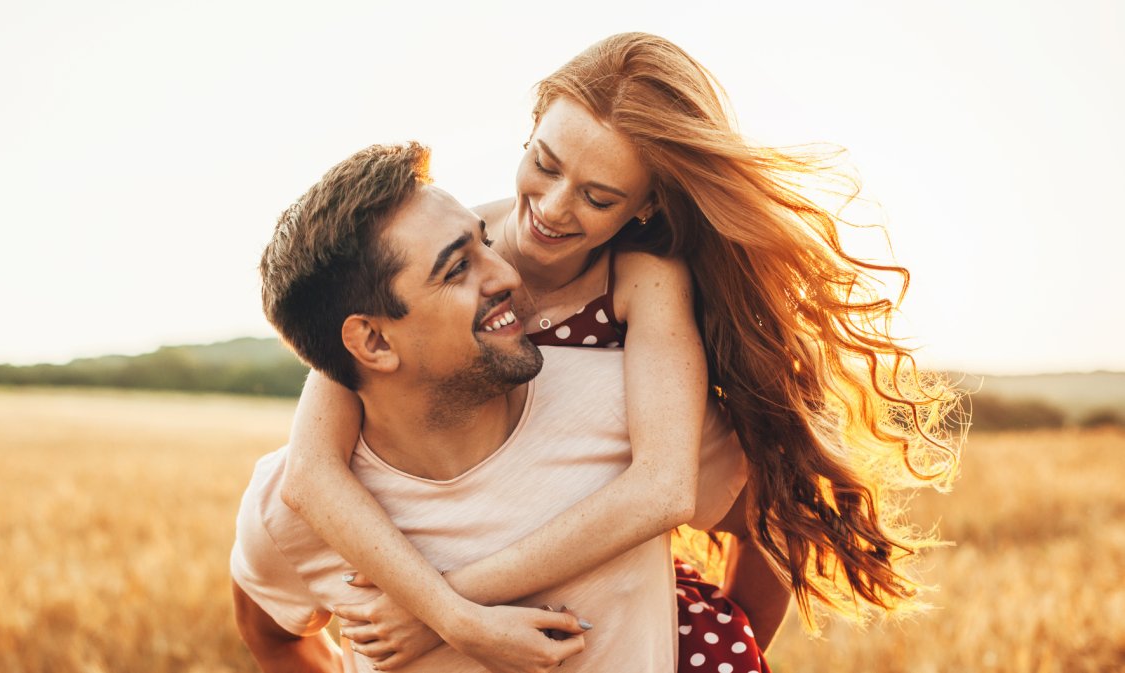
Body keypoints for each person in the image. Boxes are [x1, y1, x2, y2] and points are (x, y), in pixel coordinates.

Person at [279, 32, 960, 672]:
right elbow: (310, 469)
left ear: (644, 205)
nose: (549, 207)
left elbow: (664, 489)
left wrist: (446, 608)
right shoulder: (439, 258)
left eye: (598, 197)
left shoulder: (643, 280)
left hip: (623, 617)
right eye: (543, 164)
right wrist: (452, 614)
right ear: (532, 125)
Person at [232, 141, 758, 673]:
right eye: (458, 268)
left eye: (486, 240)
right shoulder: (289, 507)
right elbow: (273, 637)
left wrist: (720, 654)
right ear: (373, 343)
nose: (509, 275)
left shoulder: (627, 408)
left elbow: (767, 524)